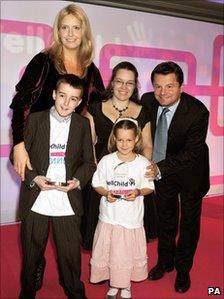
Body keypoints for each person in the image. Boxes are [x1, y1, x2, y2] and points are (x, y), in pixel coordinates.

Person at [10, 74, 96, 299]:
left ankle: (75, 292)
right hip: (36, 196)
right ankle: (28, 292)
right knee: (32, 255)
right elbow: (16, 155)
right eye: (62, 96)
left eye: (73, 99)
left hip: (67, 199)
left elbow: (89, 163)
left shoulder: (82, 124)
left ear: (79, 102)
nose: (66, 103)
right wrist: (33, 178)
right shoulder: (35, 120)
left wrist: (78, 181)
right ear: (53, 94)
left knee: (70, 256)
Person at [10, 3, 104, 182]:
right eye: (65, 28)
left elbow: (100, 108)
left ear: (84, 32)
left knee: (69, 204)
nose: (70, 34)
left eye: (76, 28)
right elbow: (21, 103)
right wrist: (19, 145)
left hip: (72, 150)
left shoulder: (90, 70)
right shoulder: (43, 61)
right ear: (58, 32)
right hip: (39, 143)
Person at [141, 61, 210, 293]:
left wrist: (160, 168)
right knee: (166, 219)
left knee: (189, 223)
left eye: (169, 86)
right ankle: (165, 262)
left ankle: (183, 270)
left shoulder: (198, 112)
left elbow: (191, 153)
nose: (163, 93)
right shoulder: (147, 101)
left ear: (181, 86)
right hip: (163, 172)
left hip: (190, 172)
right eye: (158, 86)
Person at [82, 61, 158, 250]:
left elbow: (147, 146)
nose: (124, 87)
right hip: (103, 174)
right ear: (112, 83)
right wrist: (95, 168)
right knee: (103, 222)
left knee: (128, 221)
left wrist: (143, 170)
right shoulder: (94, 108)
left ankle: (123, 264)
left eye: (129, 83)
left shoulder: (143, 112)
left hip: (131, 176)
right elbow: (89, 143)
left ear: (135, 86)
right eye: (119, 81)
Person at [90, 118, 154, 299]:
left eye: (128, 140)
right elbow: (97, 183)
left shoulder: (143, 163)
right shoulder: (106, 161)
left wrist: (138, 191)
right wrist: (106, 193)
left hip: (130, 220)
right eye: (120, 140)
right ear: (114, 139)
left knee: (125, 255)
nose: (124, 144)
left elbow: (149, 187)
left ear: (136, 140)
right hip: (109, 218)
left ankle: (125, 286)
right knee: (110, 252)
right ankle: (113, 283)